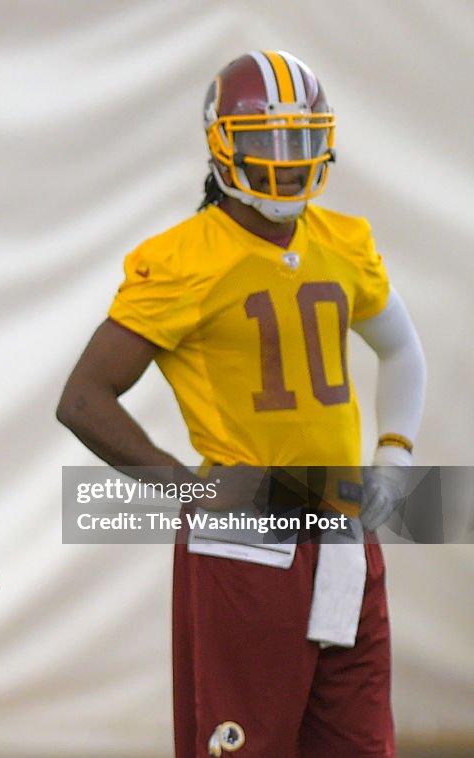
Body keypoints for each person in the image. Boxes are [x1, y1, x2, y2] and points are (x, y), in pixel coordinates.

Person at [57, 50, 425, 757]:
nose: (285, 159)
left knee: (356, 741)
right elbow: (84, 398)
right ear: (222, 143)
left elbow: (403, 351)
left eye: (300, 137)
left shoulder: (343, 240)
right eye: (264, 140)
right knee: (243, 745)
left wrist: (392, 459)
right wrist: (185, 487)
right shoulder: (183, 257)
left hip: (343, 527)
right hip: (247, 530)